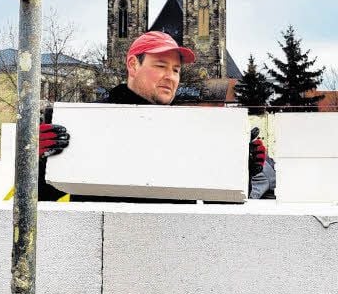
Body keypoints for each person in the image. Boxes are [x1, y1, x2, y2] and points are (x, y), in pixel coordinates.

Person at [38, 31, 276, 201]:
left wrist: (243, 168)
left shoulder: (188, 131)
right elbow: (46, 199)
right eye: (161, 66)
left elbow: (216, 201)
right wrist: (38, 162)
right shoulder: (87, 123)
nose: (171, 77)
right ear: (133, 65)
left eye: (176, 70)